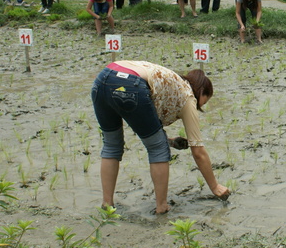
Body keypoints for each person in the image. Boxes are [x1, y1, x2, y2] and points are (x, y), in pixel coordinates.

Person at [91, 62, 230, 214]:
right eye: (206, 99)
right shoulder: (188, 96)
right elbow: (198, 152)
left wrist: (169, 141)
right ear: (202, 91)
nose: (202, 105)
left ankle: (107, 204)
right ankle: (161, 206)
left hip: (103, 78)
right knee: (158, 149)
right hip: (131, 83)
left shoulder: (168, 85)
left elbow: (144, 125)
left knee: (112, 145)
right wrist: (215, 186)